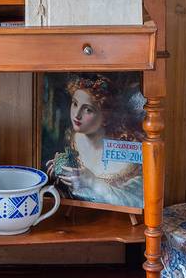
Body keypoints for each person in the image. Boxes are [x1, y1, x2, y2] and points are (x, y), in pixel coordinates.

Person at [46, 75, 144, 208]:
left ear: (106, 117)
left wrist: (92, 182)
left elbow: (137, 201)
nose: (76, 115)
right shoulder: (72, 136)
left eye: (88, 109)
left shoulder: (127, 156)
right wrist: (60, 175)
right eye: (75, 104)